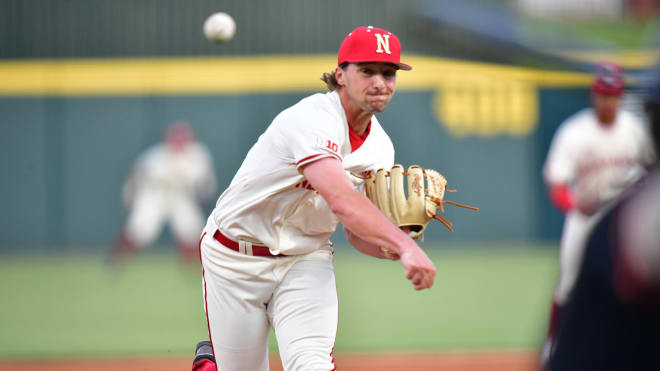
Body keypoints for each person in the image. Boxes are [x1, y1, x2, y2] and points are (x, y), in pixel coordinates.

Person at [191, 26, 437, 371]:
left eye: (388, 72)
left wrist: (396, 247)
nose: (380, 82)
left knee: (312, 364)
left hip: (305, 259)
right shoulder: (313, 119)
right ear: (340, 74)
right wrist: (406, 246)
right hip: (234, 257)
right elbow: (340, 200)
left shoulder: (381, 148)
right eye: (367, 71)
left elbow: (355, 233)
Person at [544, 67, 660, 370]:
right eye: (604, 94)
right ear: (594, 95)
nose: (608, 101)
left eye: (614, 95)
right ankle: (552, 344)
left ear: (621, 97)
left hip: (627, 214)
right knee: (568, 286)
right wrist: (575, 204)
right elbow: (557, 184)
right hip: (585, 216)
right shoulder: (574, 131)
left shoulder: (634, 130)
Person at [110, 121, 217, 265]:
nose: (179, 143)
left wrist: (206, 193)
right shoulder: (156, 155)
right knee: (140, 229)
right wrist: (128, 196)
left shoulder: (197, 154)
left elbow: (206, 180)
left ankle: (196, 268)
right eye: (176, 139)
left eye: (183, 139)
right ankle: (116, 260)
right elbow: (136, 177)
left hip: (180, 196)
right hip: (155, 195)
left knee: (191, 230)